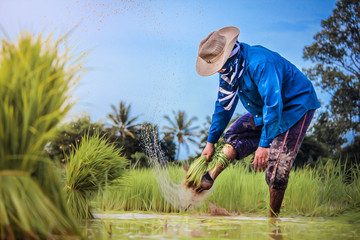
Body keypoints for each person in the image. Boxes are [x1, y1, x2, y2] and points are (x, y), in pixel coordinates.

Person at [194, 26, 320, 217]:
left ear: (228, 54)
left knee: (277, 166)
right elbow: (223, 107)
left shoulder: (260, 63)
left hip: (295, 106)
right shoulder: (230, 71)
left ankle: (273, 221)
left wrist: (265, 144)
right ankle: (209, 177)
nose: (217, 69)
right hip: (267, 110)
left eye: (217, 63)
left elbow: (273, 103)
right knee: (236, 131)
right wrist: (210, 143)